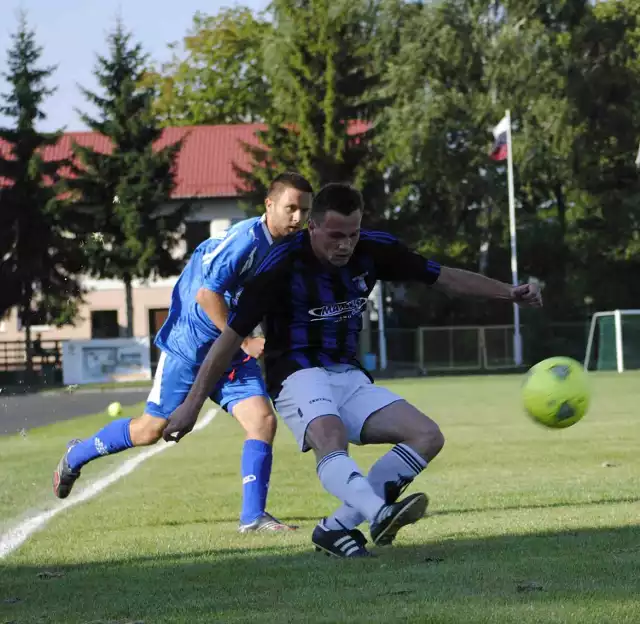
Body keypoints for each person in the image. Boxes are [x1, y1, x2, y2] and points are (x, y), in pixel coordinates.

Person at [161, 182, 543, 556]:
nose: (344, 245)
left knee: (426, 436)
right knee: (332, 437)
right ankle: (379, 514)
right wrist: (191, 406)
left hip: (348, 373)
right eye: (334, 235)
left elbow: (444, 278)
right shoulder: (279, 265)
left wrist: (508, 292)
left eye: (352, 234)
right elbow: (227, 341)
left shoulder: (375, 249)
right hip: (296, 373)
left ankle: (336, 528)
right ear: (313, 227)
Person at [53, 172, 314, 533]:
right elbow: (207, 295)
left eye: (304, 210)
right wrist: (243, 340)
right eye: (291, 208)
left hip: (229, 350)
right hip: (190, 346)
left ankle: (253, 517)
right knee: (149, 431)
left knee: (262, 421)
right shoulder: (245, 241)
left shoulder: (288, 246)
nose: (298, 218)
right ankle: (76, 455)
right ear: (269, 205)